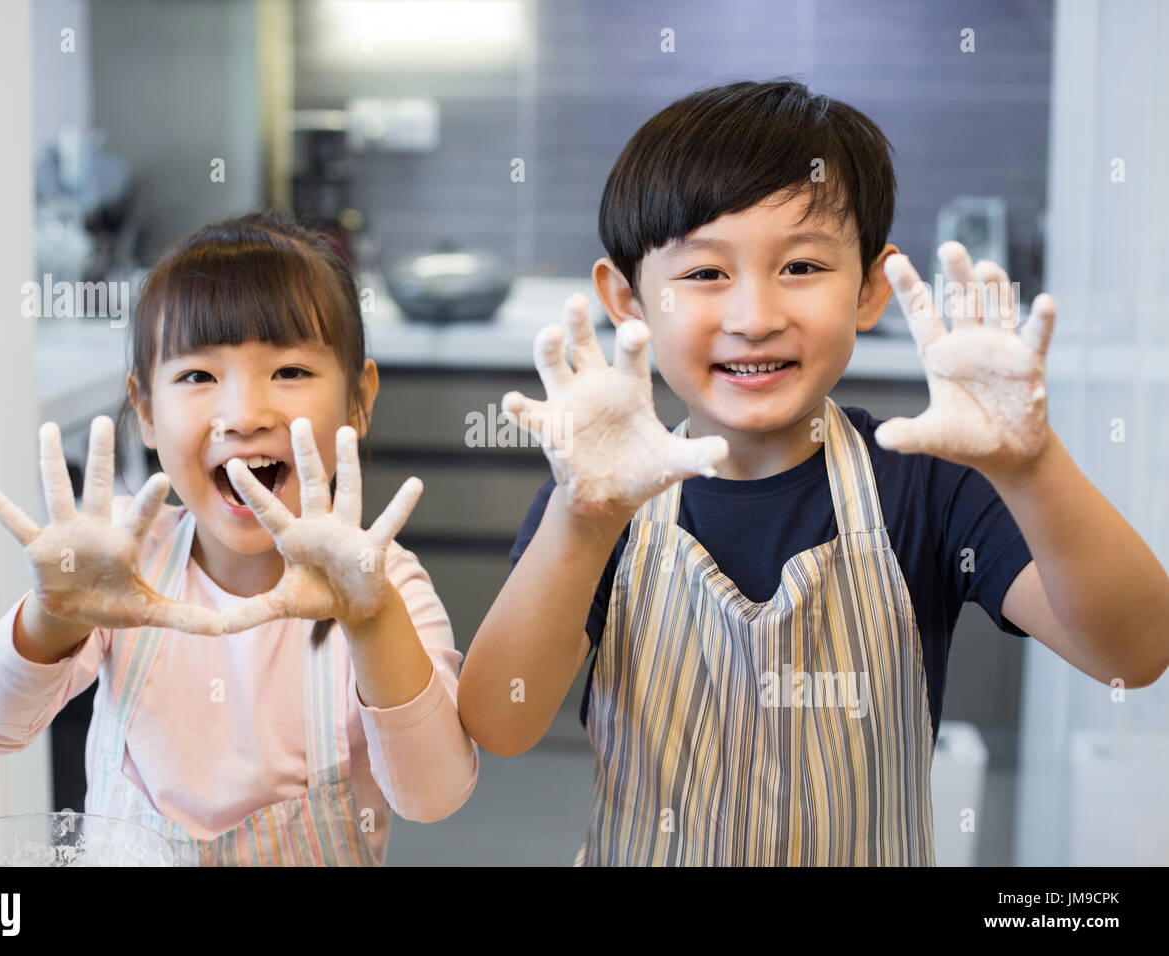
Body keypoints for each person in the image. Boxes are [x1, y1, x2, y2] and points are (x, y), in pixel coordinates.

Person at [457, 79, 1169, 865]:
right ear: (627, 299)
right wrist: (582, 523)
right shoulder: (596, 500)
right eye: (703, 274)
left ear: (870, 288)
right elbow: (501, 721)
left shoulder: (927, 483)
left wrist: (1033, 467)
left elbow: (1135, 652)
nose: (755, 316)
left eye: (801, 266)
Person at [0, 211, 478, 865]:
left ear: (358, 400)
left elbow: (434, 795)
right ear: (145, 410)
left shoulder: (387, 587)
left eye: (289, 371)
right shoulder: (126, 557)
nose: (243, 415)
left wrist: (372, 621)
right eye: (198, 376)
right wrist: (51, 617)